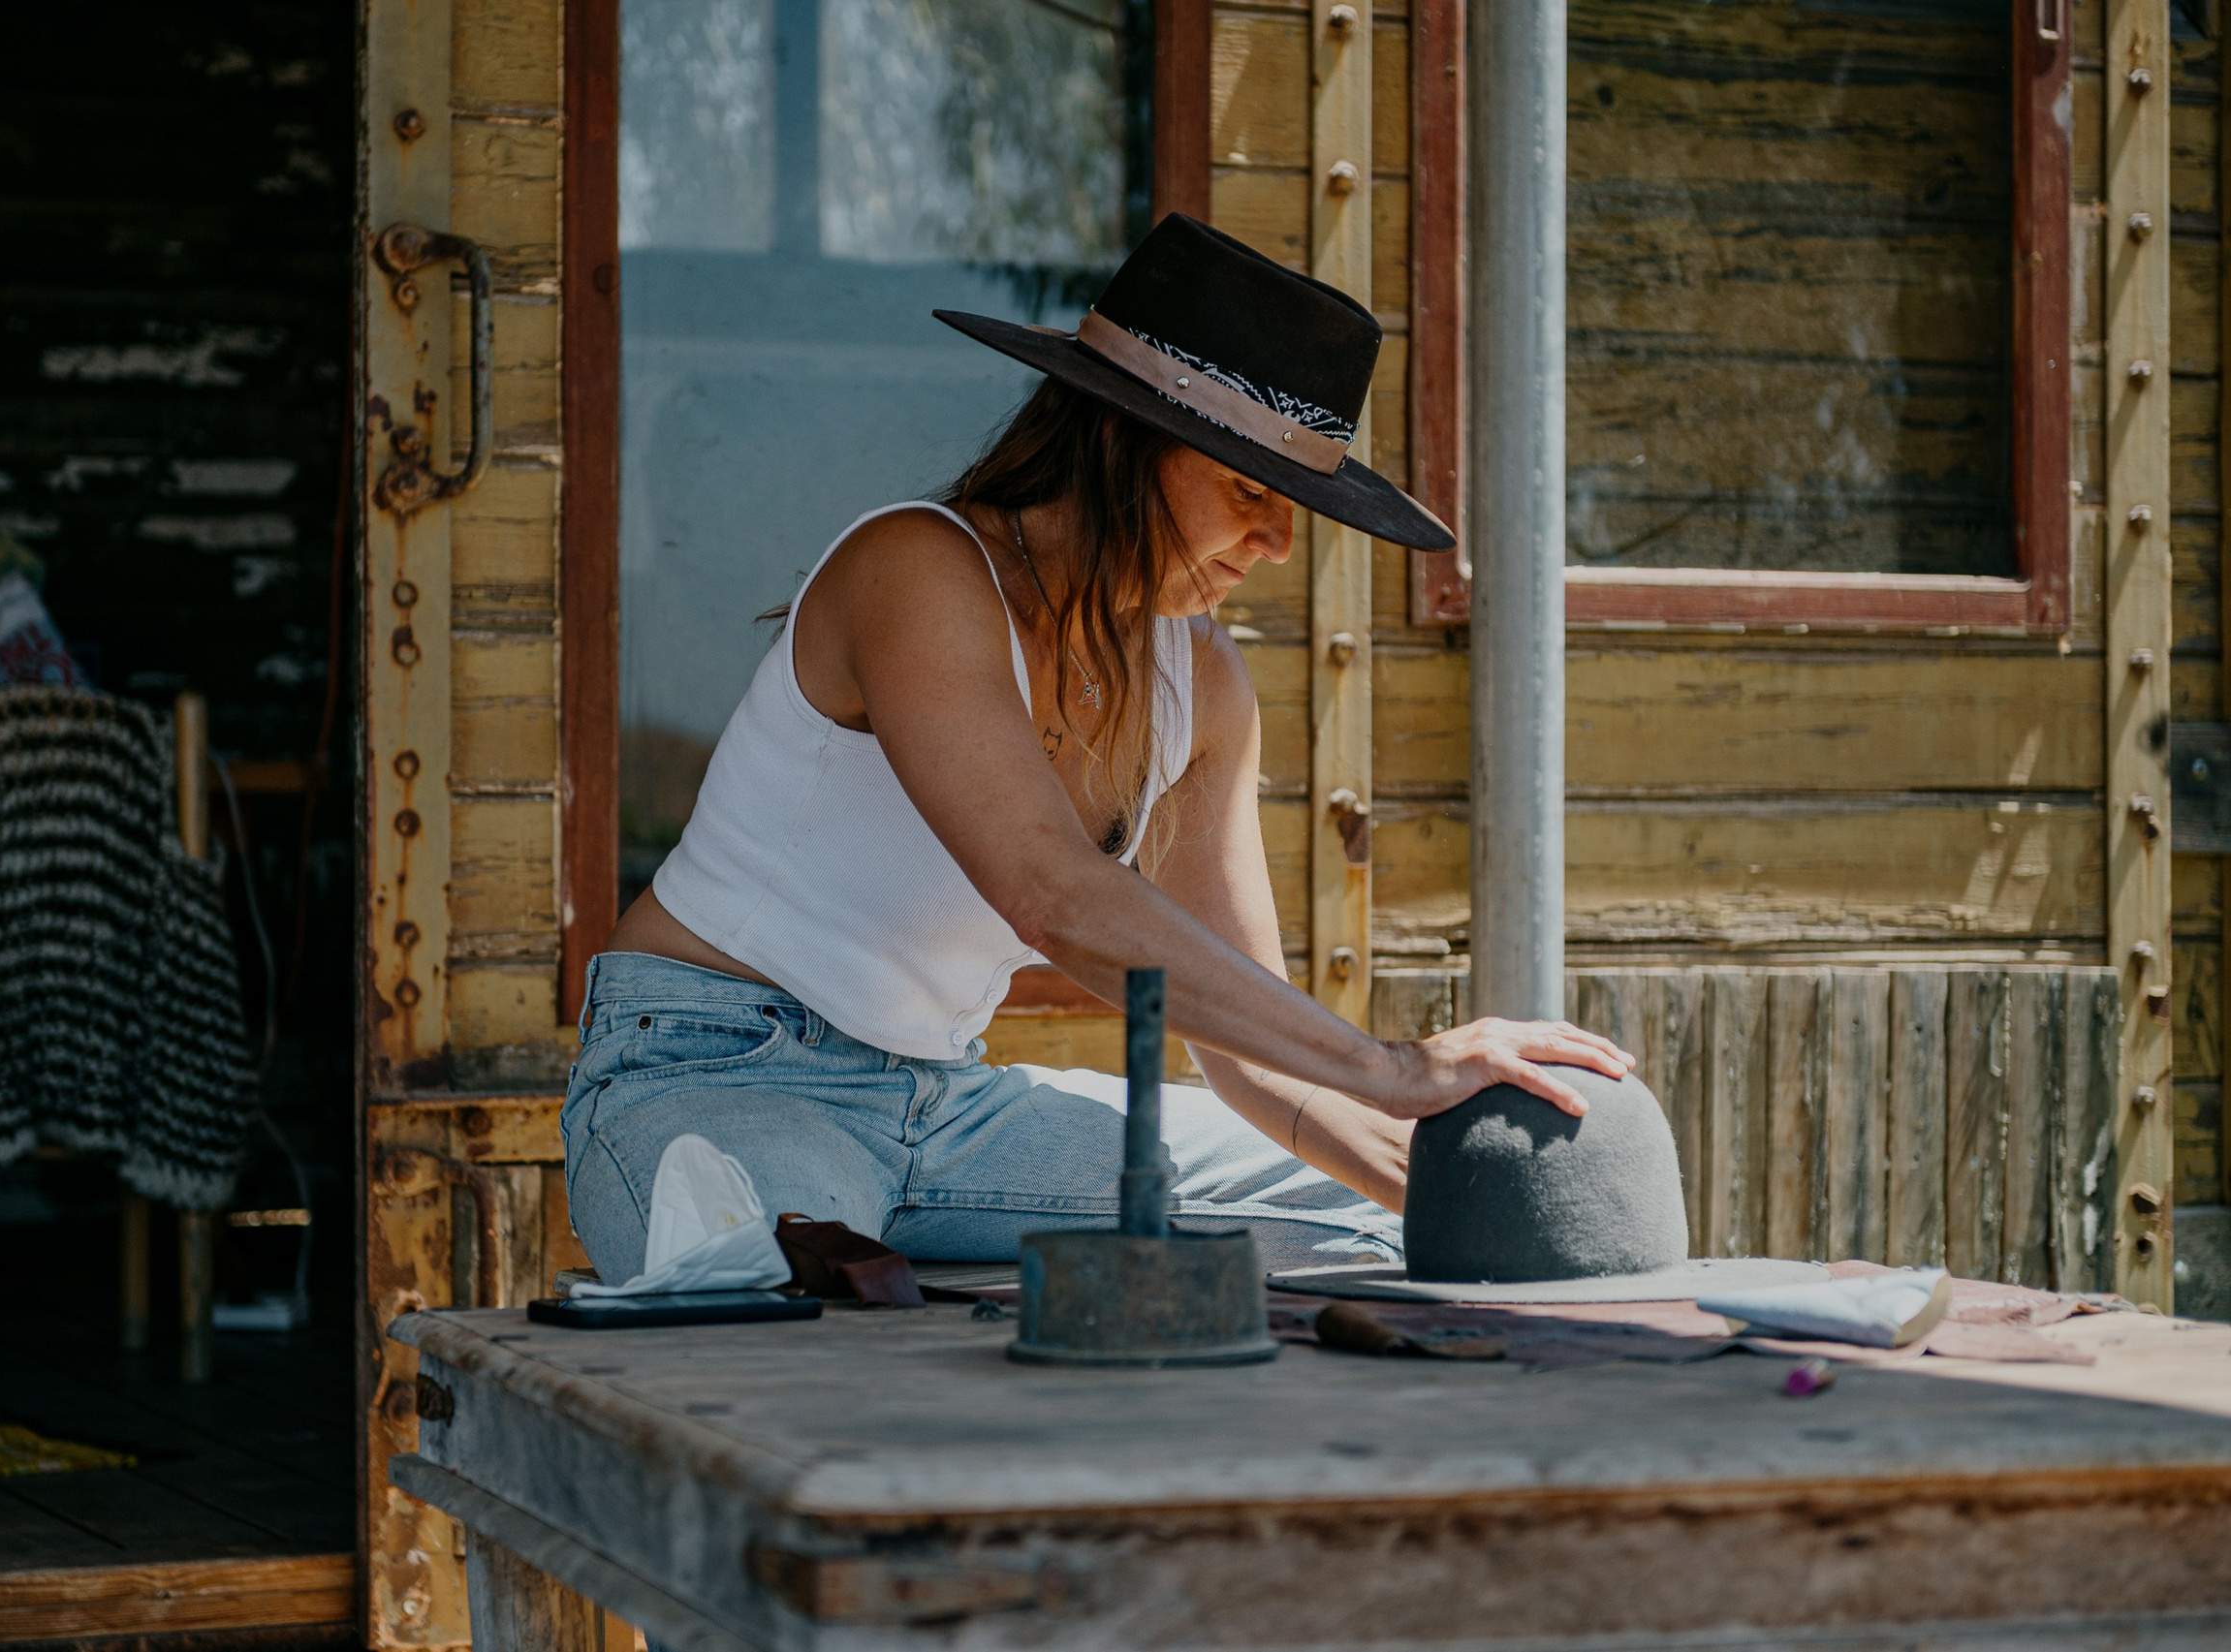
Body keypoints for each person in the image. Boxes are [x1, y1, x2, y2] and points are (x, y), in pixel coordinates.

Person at [563, 214, 1633, 1283]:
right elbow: (1053, 894)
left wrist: (1442, 1175)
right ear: (1121, 437)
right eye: (1249, 490)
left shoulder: (1202, 684)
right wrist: (1390, 1065)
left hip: (952, 1105)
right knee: (759, 1293)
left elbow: (1245, 1056)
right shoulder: (919, 571)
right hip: (718, 1069)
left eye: (1295, 504)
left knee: (1400, 1245)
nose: (1274, 543)